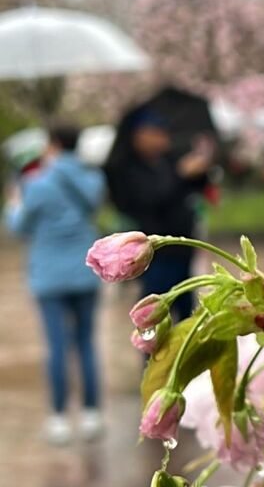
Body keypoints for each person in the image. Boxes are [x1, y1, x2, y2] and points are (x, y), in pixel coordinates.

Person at [4, 125, 106, 445]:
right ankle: (92, 415)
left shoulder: (37, 183)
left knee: (57, 347)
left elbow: (19, 226)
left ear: (53, 143)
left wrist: (12, 202)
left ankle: (59, 419)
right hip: (86, 271)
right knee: (87, 343)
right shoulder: (92, 179)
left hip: (48, 276)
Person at [104, 107, 213, 320]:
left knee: (187, 313)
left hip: (182, 247)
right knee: (155, 313)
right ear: (139, 136)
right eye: (155, 133)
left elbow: (193, 189)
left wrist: (200, 171)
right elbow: (151, 199)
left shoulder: (169, 160)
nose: (162, 139)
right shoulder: (126, 168)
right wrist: (182, 174)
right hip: (156, 253)